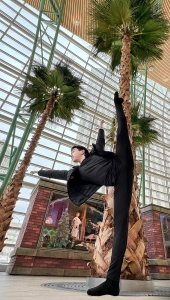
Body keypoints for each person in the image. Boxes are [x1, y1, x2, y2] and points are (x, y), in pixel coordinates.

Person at [31, 92, 134, 296]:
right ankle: (112, 282)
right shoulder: (77, 173)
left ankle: (117, 105)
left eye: (73, 151)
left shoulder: (94, 154)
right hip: (120, 181)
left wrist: (101, 129)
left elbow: (100, 144)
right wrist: (41, 171)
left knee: (122, 132)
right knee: (121, 227)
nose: (71, 154)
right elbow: (60, 173)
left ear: (82, 151)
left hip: (122, 161)